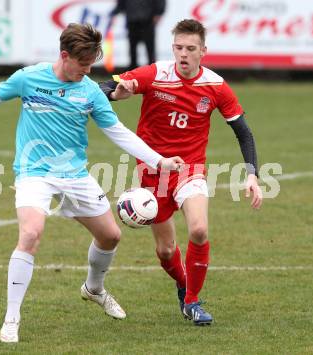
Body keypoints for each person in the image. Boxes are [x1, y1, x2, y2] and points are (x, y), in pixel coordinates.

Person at [0, 23, 183, 342]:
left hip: (74, 175)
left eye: (91, 65)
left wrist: (160, 160)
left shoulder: (88, 91)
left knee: (111, 236)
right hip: (34, 173)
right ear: (64, 55)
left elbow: (119, 132)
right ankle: (12, 318)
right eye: (83, 64)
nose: (87, 71)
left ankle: (94, 289)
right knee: (31, 233)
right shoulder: (30, 77)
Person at [99, 19, 263, 326]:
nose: (183, 54)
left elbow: (244, 133)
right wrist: (117, 93)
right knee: (166, 250)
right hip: (153, 173)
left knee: (199, 230)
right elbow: (103, 89)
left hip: (191, 169)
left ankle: (191, 302)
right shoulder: (154, 74)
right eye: (178, 47)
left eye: (190, 48)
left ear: (203, 50)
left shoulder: (215, 86)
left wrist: (252, 174)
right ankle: (183, 285)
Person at [110, 0, 166, 69]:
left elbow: (160, 2)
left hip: (147, 21)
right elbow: (121, 4)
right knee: (132, 50)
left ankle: (153, 72)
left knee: (150, 50)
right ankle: (133, 72)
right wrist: (114, 13)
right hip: (132, 21)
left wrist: (159, 13)